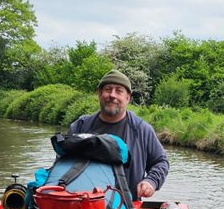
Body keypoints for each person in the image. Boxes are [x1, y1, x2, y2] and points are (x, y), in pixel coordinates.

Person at [68, 70, 169, 200]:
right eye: (108, 89)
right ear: (99, 94)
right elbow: (63, 164)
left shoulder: (142, 130)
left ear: (128, 98)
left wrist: (151, 181)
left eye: (119, 91)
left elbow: (161, 162)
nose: (112, 95)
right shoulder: (80, 126)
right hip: (83, 205)